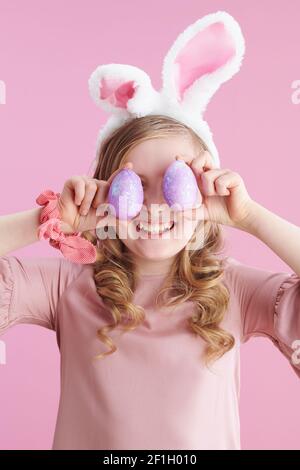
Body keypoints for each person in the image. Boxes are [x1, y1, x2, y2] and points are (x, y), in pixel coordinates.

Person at [1, 11, 300, 450]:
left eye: (176, 184)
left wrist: (249, 217)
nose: (156, 206)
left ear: (205, 194)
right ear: (103, 194)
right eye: (133, 187)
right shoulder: (67, 285)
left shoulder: (231, 288)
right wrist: (50, 221)